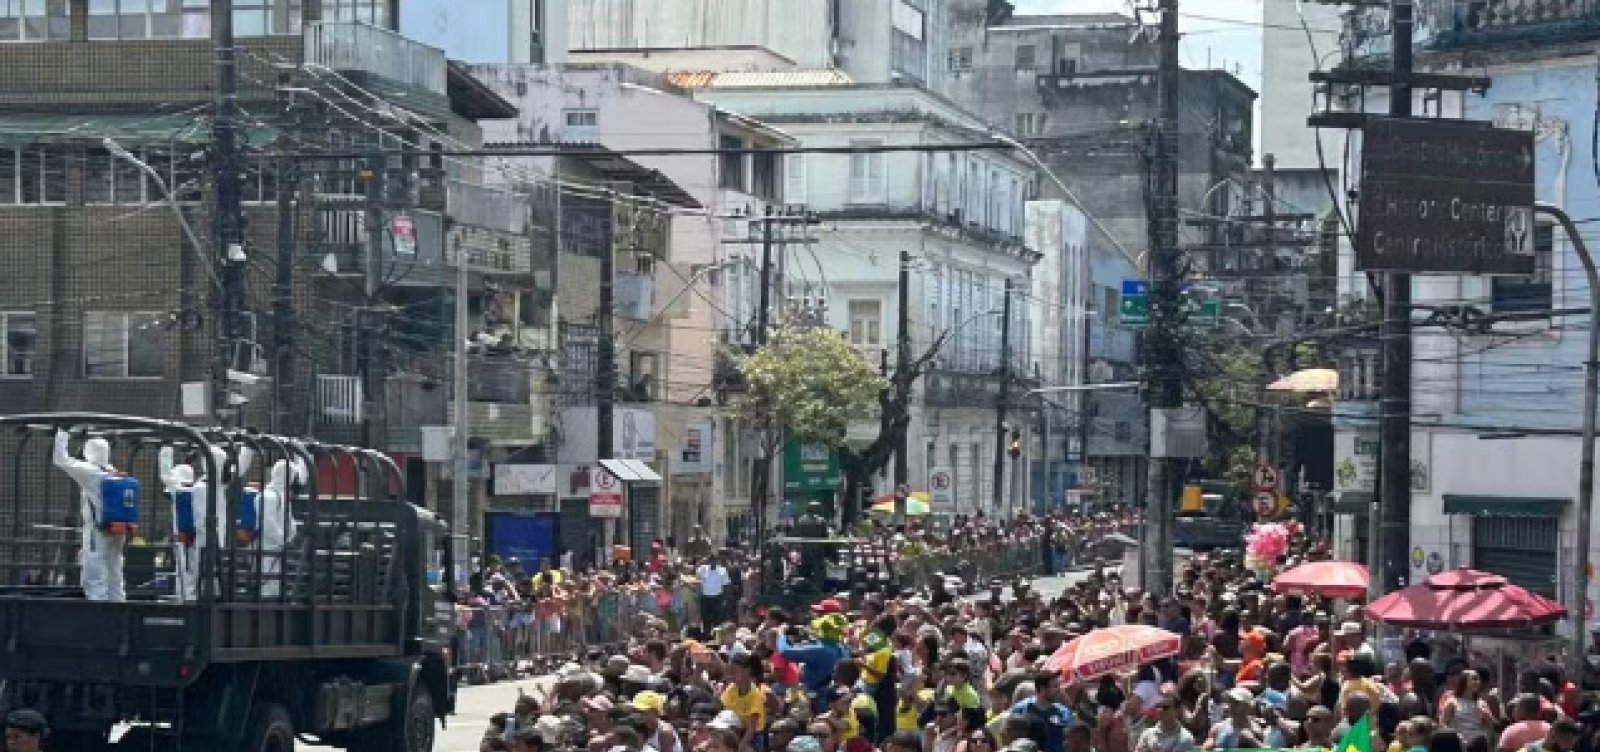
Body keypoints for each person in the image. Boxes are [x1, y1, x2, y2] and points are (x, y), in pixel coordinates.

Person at [53, 429, 129, 602]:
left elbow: (61, 460)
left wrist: (62, 433)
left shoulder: (90, 472)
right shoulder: (112, 471)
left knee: (94, 573)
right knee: (114, 572)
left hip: (98, 530)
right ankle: (119, 610)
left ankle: (99, 613)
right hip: (118, 530)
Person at [699, 557, 729, 631]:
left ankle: (717, 637)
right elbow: (698, 578)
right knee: (706, 619)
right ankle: (707, 637)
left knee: (717, 619)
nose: (712, 562)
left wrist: (725, 599)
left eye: (714, 560)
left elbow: (726, 585)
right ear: (708, 561)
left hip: (717, 598)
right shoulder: (703, 569)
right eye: (711, 560)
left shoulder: (722, 570)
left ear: (717, 560)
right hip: (705, 598)